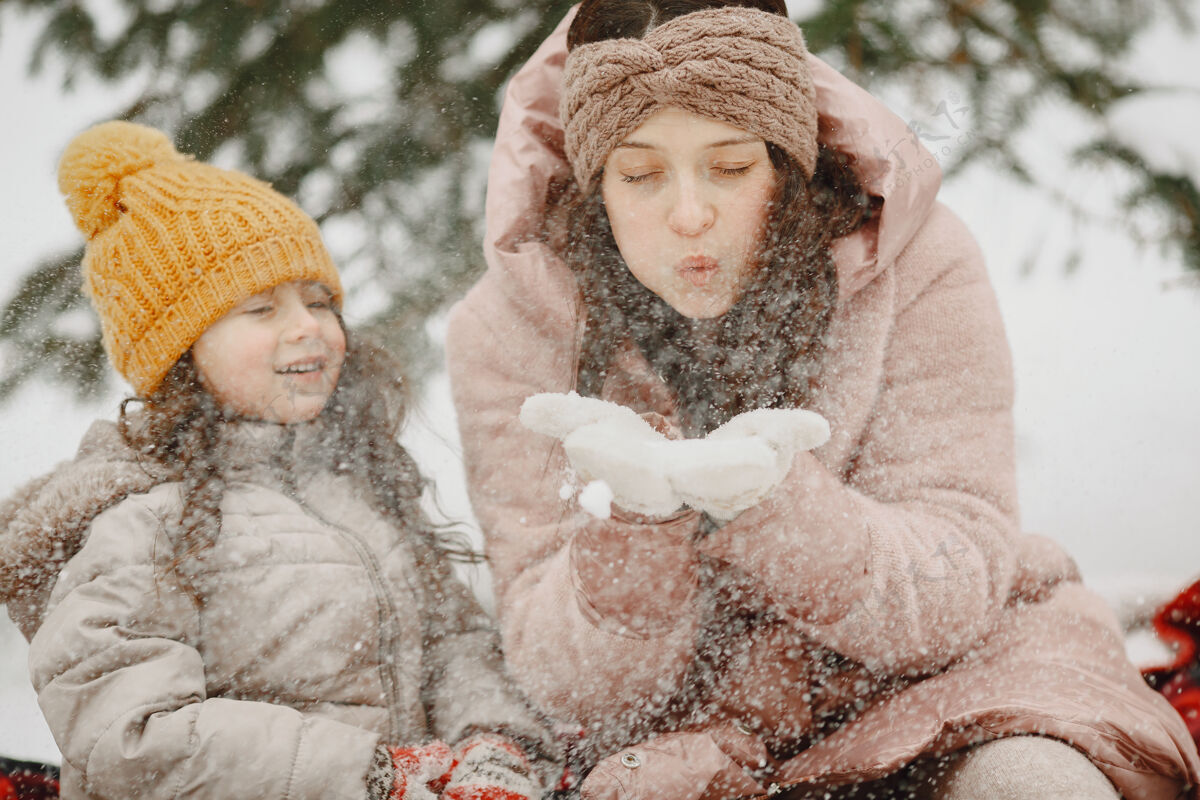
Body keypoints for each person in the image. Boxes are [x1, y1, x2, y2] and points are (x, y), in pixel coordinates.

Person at [445, 1, 1200, 798]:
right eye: (640, 176)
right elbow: (568, 682)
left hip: (968, 680)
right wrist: (636, 528)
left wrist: (777, 507)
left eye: (731, 167)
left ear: (787, 163)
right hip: (700, 739)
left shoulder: (918, 256)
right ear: (594, 186)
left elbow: (958, 584)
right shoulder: (505, 331)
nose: (690, 213)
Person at [0, 120, 559, 800]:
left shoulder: (359, 490)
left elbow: (453, 646)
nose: (307, 326)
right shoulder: (139, 522)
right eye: (260, 308)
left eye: (320, 301)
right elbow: (135, 738)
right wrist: (372, 776)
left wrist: (492, 748)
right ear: (179, 353)